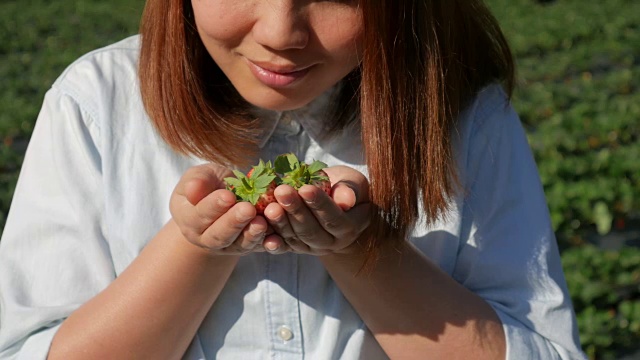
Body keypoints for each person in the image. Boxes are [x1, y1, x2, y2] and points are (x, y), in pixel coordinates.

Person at [0, 0, 586, 359]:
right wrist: (195, 247)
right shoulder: (97, 104)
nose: (282, 32)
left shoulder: (461, 116)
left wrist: (362, 249)